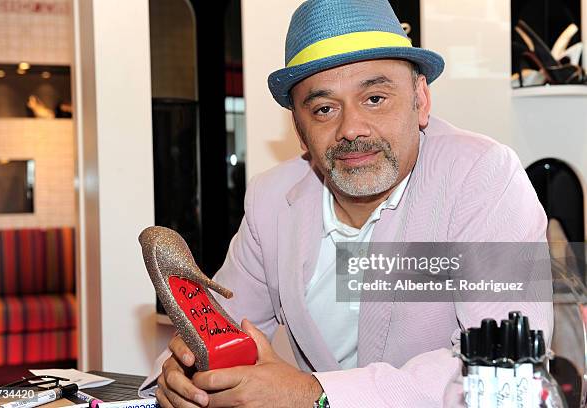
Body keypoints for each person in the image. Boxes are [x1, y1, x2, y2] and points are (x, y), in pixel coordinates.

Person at [149, 0, 554, 406]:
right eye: (324, 109)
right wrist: (184, 370)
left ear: (421, 100)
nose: (351, 129)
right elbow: (219, 326)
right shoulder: (271, 199)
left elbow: (507, 367)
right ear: (301, 131)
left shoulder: (483, 177)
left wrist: (315, 395)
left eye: (375, 98)